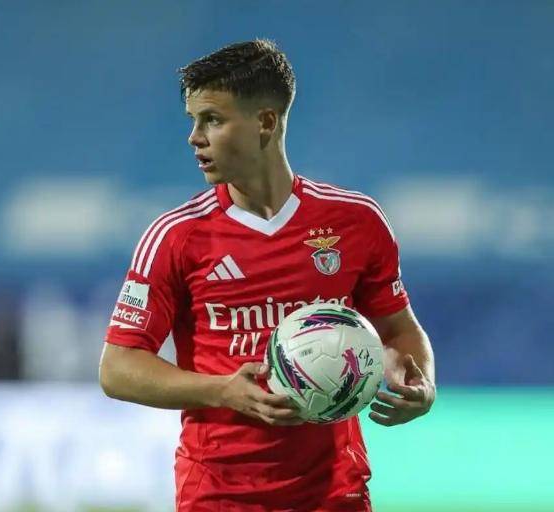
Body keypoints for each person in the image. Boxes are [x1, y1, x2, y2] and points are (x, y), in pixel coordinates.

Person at [99, 39, 435, 511]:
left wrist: (421, 383)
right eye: (193, 120)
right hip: (220, 495)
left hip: (334, 492)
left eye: (212, 119)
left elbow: (398, 329)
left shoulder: (356, 222)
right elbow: (117, 368)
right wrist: (222, 391)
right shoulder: (176, 236)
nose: (195, 137)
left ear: (265, 121)